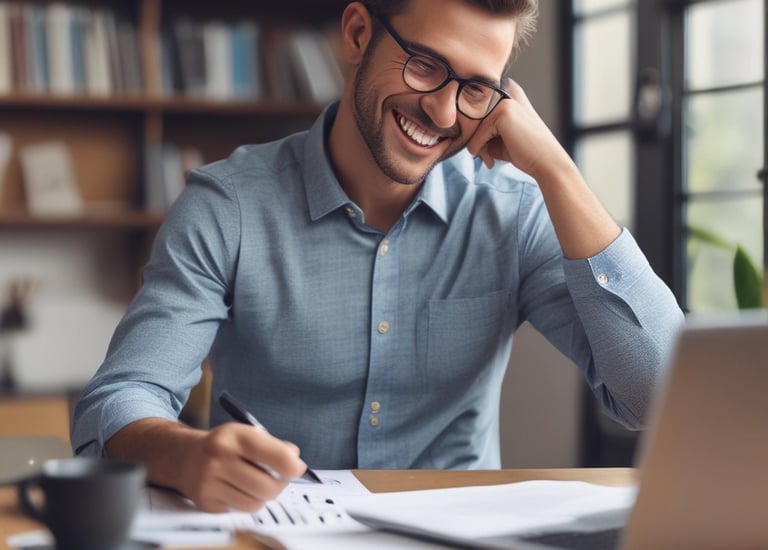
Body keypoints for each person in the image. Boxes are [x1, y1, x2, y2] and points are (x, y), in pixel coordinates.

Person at [72, 0, 685, 513]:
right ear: (358, 33)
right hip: (274, 533)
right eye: (424, 65)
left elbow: (657, 398)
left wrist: (556, 170)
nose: (443, 113)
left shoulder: (514, 211)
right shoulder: (227, 206)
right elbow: (119, 399)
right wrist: (182, 454)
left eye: (475, 88)